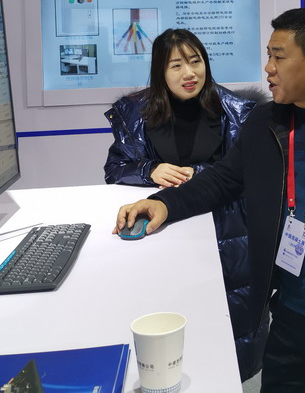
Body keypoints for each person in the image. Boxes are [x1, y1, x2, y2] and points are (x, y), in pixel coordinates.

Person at [115, 8, 305, 393]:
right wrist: (165, 204)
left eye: (278, 57)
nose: (268, 68)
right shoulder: (264, 121)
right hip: (289, 316)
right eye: (269, 55)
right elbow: (224, 179)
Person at [102, 28, 268, 381]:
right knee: (169, 324)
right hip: (165, 237)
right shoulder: (136, 114)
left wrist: (199, 174)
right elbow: (115, 169)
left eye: (195, 61)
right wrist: (149, 169)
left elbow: (247, 174)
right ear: (160, 71)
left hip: (229, 238)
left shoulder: (238, 112)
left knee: (228, 330)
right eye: (176, 65)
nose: (189, 73)